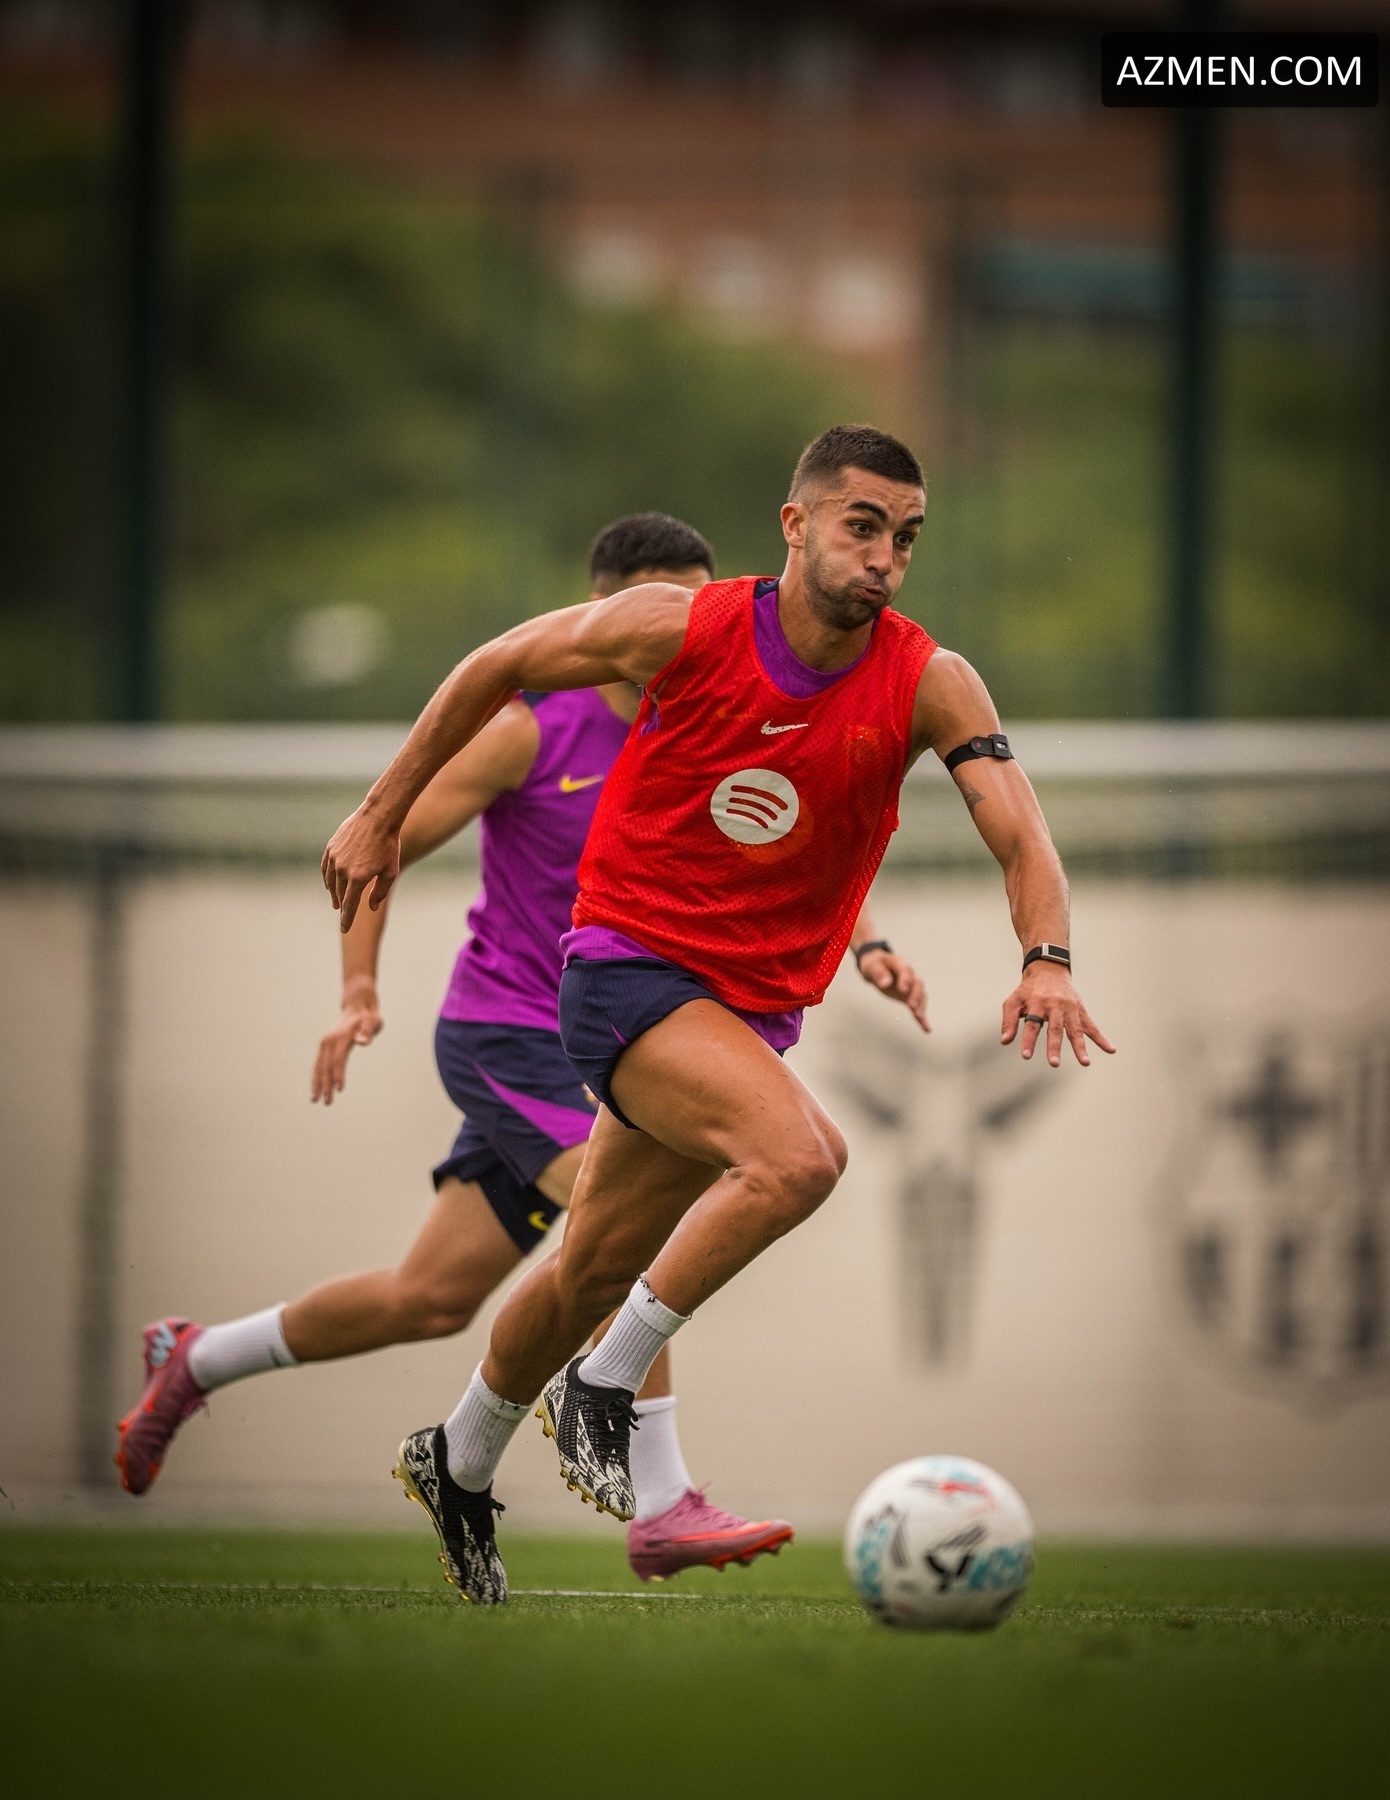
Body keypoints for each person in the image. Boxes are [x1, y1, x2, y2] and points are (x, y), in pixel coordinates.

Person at [322, 425, 1112, 1605]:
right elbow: (498, 661)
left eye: (906, 537)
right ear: (796, 525)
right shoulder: (681, 626)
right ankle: (606, 1388)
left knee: (590, 1268)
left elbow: (1021, 830)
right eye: (862, 527)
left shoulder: (930, 679)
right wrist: (382, 811)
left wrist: (1046, 959)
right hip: (626, 970)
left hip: (746, 1011)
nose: (885, 558)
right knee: (802, 1157)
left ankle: (459, 1458)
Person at [118, 512, 924, 1588]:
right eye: (662, 601)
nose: (685, 621)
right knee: (618, 1235)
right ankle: (662, 1501)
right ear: (606, 614)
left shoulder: (716, 712)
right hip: (516, 1032)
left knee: (430, 1297)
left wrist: (868, 943)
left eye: (699, 598)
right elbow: (381, 844)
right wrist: (357, 991)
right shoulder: (531, 731)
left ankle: (198, 1356)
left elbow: (777, 848)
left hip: (636, 1041)